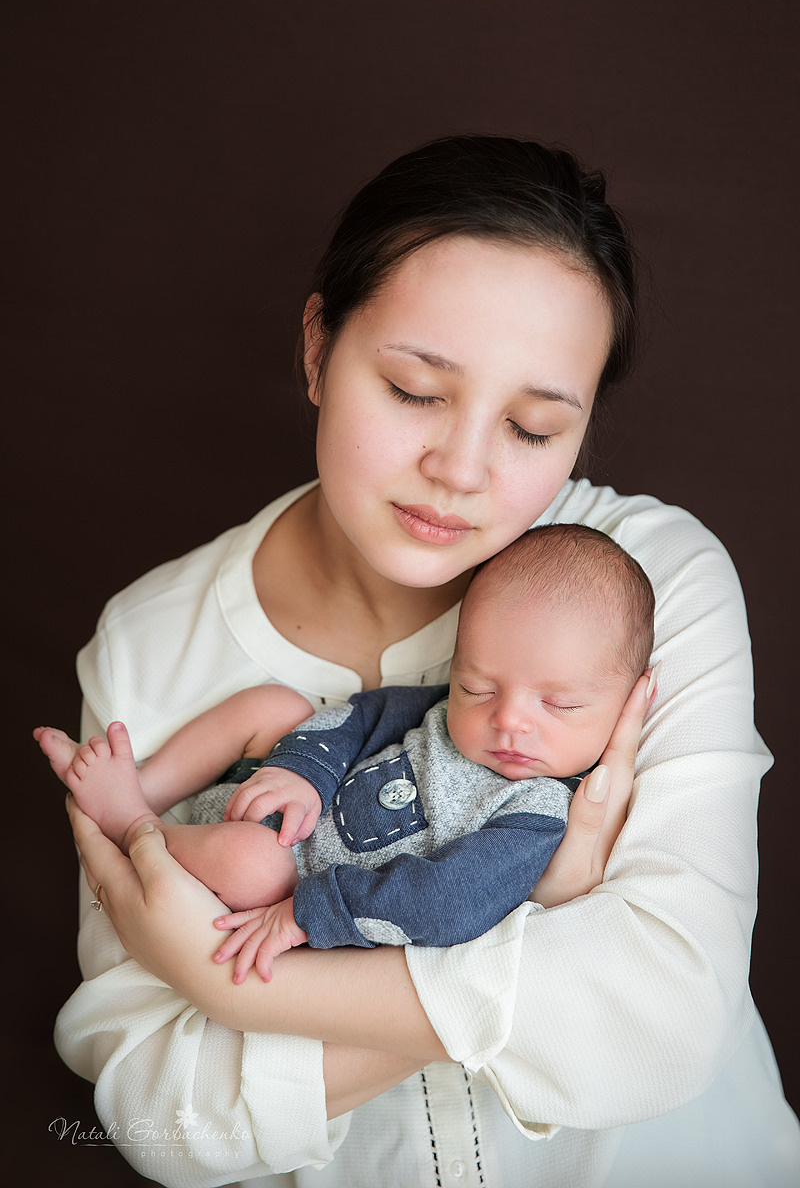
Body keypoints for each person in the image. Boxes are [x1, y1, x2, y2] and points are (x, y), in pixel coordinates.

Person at [56, 135, 800, 1188]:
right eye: (412, 390)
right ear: (318, 347)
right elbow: (160, 1119)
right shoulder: (147, 644)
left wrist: (232, 990)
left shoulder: (651, 579)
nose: (459, 470)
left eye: (534, 427)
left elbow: (664, 1017)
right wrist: (541, 924)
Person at [38, 524, 656, 984]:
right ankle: (151, 787)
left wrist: (307, 915)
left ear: (626, 705)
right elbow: (359, 718)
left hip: (292, 876)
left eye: (560, 705)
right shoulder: (440, 712)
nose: (509, 722)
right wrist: (300, 771)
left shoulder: (534, 816)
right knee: (278, 706)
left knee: (258, 865)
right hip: (283, 798)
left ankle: (131, 827)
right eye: (479, 686)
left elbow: (445, 904)